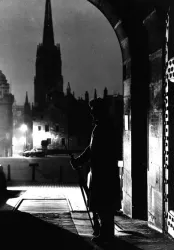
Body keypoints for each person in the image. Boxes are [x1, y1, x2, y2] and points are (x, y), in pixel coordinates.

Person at [70, 98, 119, 247]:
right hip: (103, 172)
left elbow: (94, 151)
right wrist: (79, 161)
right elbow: (91, 149)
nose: (91, 114)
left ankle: (106, 235)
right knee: (103, 205)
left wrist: (79, 161)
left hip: (104, 173)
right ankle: (105, 233)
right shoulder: (102, 127)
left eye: (93, 111)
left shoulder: (103, 128)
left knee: (104, 205)